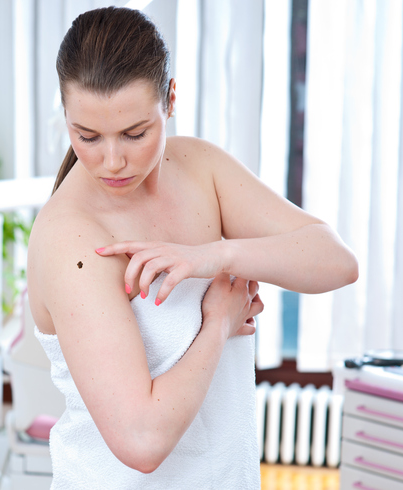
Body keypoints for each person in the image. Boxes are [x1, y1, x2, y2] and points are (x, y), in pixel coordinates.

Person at [26, 6, 358, 489]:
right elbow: (141, 441)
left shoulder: (199, 167)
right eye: (87, 136)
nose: (112, 161)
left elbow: (336, 260)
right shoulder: (71, 238)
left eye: (135, 133)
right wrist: (218, 322)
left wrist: (218, 256)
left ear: (171, 99)